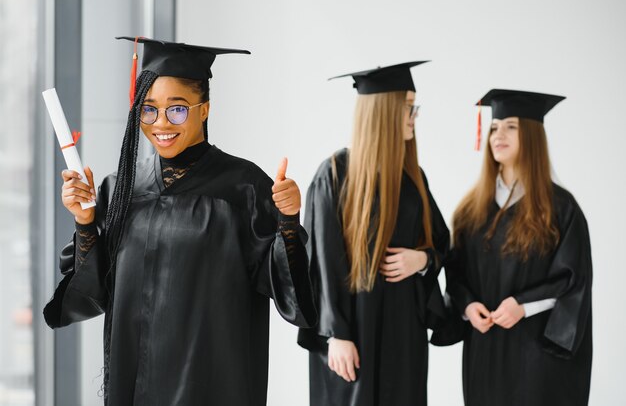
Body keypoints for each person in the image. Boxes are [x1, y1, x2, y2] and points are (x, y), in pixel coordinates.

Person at [43, 37, 316, 406]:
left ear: (204, 109)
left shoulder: (244, 187)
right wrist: (86, 222)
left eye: (177, 109)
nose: (160, 124)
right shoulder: (120, 189)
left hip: (211, 385)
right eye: (148, 109)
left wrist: (287, 220)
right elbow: (95, 291)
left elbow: (290, 289)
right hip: (133, 387)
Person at [297, 62, 450, 406]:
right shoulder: (335, 174)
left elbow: (442, 242)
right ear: (384, 111)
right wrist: (337, 333)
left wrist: (422, 260)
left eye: (415, 107)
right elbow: (322, 260)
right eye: (408, 107)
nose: (414, 115)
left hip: (403, 332)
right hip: (352, 332)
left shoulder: (413, 178)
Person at [443, 89, 593, 406]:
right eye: (495, 127)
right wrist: (468, 307)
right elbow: (455, 274)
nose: (499, 135)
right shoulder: (471, 210)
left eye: (511, 126)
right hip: (485, 349)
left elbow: (574, 279)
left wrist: (524, 305)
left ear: (532, 135)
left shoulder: (560, 207)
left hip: (537, 349)